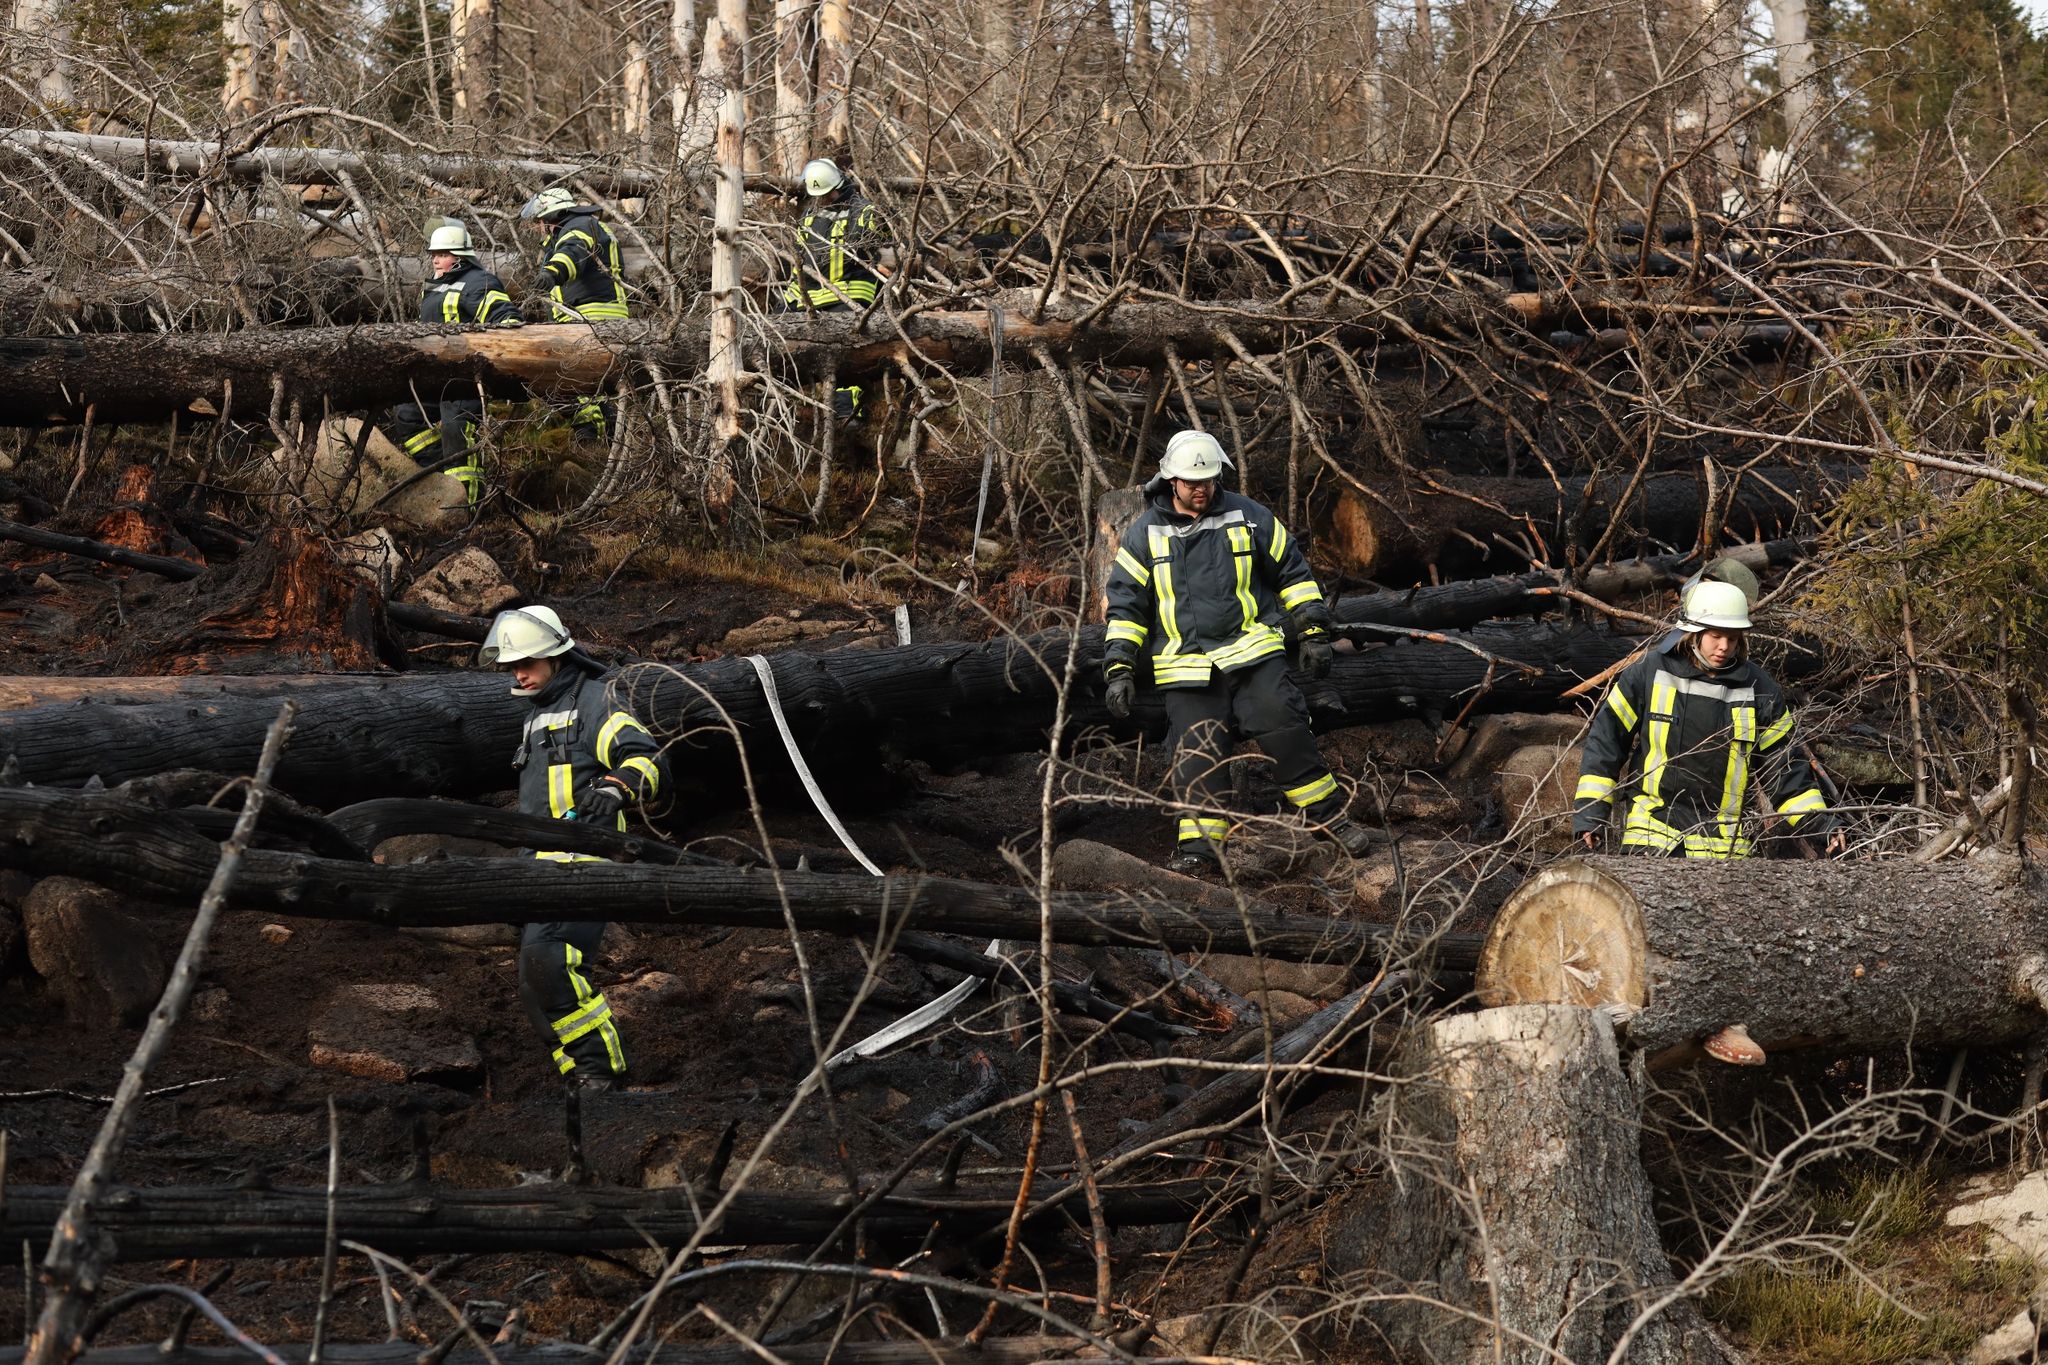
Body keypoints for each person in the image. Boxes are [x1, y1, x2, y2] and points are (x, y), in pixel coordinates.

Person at [1571, 578, 1844, 1065]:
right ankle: (1613, 1040)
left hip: (1724, 846)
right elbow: (1603, 747)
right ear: (1691, 632)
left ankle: (1720, 1031)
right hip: (1650, 835)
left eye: (1733, 637)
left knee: (1725, 946)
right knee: (1637, 947)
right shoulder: (1646, 673)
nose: (1724, 646)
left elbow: (1787, 773)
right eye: (1715, 634)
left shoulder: (1760, 690)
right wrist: (1591, 815)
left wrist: (1822, 829)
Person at [1102, 430, 1375, 874]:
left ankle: (1328, 820)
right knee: (1197, 754)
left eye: (1208, 480)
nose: (1201, 489)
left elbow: (1293, 573)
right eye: (1192, 482)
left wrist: (1312, 632)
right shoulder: (1143, 536)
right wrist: (1119, 667)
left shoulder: (1250, 516)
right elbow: (1127, 606)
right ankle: (1200, 850)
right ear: (1171, 480)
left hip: (1252, 652)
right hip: (1186, 665)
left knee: (1284, 725)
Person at [478, 605, 664, 1092]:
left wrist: (613, 789)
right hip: (539, 870)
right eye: (513, 665)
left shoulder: (595, 702)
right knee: (533, 984)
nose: (520, 673)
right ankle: (578, 1080)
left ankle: (601, 1075)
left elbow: (647, 757)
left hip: (581, 865)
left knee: (552, 964)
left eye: (530, 662)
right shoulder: (537, 714)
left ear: (558, 656)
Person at [388, 220, 514, 506]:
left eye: (443, 254)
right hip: (433, 378)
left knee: (457, 431)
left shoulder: (478, 282)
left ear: (460, 257)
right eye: (434, 253)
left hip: (465, 380)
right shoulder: (433, 287)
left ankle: (469, 508)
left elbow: (505, 316)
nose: (435, 258)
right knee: (408, 416)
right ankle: (441, 472)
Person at [519, 187, 631, 444]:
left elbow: (574, 253)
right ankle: (599, 440)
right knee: (588, 386)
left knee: (582, 382)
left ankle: (594, 441)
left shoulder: (579, 227)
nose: (538, 228)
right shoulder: (580, 228)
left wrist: (551, 273)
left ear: (552, 217)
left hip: (591, 317)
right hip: (586, 317)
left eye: (539, 222)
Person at [783, 157, 892, 421]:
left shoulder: (862, 212)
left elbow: (884, 252)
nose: (825, 198)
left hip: (852, 295)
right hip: (812, 297)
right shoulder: (812, 217)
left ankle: (846, 410)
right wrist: (788, 300)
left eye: (827, 193)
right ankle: (789, 404)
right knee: (777, 338)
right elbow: (799, 262)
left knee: (845, 351)